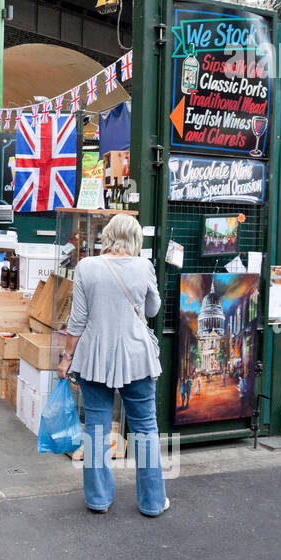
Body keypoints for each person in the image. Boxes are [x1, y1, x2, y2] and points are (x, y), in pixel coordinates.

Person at [57, 213, 168, 517]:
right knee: (145, 428)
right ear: (135, 239)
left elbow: (77, 320)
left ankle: (98, 499)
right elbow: (152, 308)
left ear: (107, 235)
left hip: (94, 357)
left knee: (95, 427)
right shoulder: (144, 266)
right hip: (136, 357)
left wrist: (67, 358)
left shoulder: (86, 267)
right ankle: (153, 502)